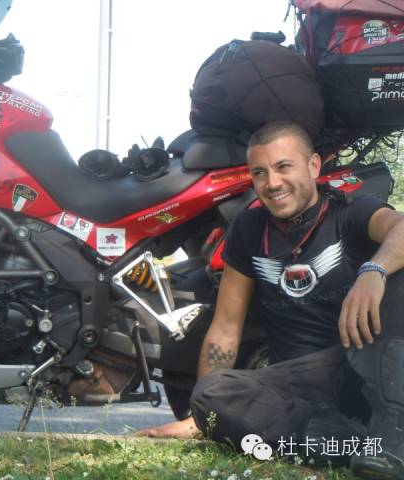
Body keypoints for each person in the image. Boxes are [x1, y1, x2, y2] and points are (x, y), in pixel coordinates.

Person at [138, 121, 404, 479]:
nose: (272, 183)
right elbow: (226, 327)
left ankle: (394, 437)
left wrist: (374, 269)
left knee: (398, 273)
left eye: (283, 167)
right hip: (298, 387)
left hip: (365, 368)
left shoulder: (350, 211)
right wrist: (202, 418)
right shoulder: (248, 229)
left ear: (313, 166)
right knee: (210, 394)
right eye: (259, 173)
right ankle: (354, 445)